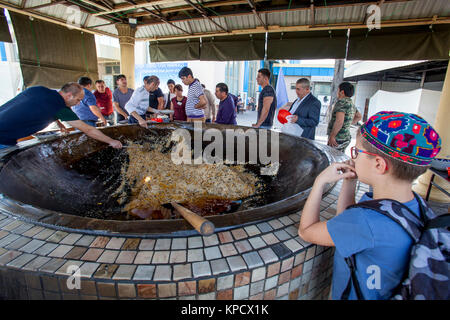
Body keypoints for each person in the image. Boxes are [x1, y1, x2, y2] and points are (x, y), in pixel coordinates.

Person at [298, 111, 442, 300]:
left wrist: (319, 182)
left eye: (357, 152)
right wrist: (350, 182)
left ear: (379, 165)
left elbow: (306, 231)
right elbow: (346, 219)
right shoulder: (415, 204)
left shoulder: (366, 222)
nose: (354, 158)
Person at [0, 83, 122, 149]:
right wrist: (111, 141)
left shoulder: (38, 89)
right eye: (78, 100)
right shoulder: (59, 106)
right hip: (3, 138)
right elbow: (88, 129)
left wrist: (59, 123)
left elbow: (34, 108)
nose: (78, 103)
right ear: (69, 95)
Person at [327, 82, 362, 152]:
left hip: (338, 137)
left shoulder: (341, 103)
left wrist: (332, 136)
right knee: (340, 157)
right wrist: (347, 123)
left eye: (338, 90)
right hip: (346, 136)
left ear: (342, 92)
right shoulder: (351, 103)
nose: (337, 92)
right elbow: (359, 116)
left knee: (333, 158)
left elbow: (339, 121)